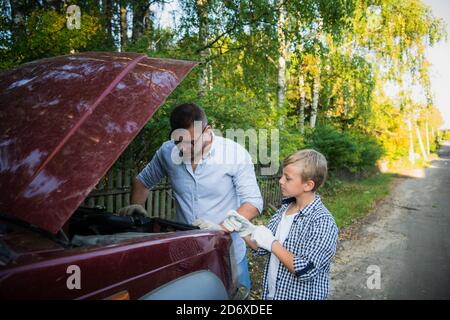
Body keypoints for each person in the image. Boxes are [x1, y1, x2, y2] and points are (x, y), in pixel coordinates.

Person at [118, 102, 263, 296]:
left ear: (207, 131)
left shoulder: (234, 154)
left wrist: (220, 228)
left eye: (192, 142)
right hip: (185, 255)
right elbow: (142, 181)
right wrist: (136, 207)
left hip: (227, 255)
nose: (185, 148)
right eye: (179, 142)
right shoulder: (167, 152)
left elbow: (253, 203)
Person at [223, 149, 338, 300]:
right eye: (282, 175)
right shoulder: (284, 210)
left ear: (308, 185)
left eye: (288, 178)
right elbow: (263, 248)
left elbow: (306, 270)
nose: (281, 180)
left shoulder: (322, 221)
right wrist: (244, 230)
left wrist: (272, 243)